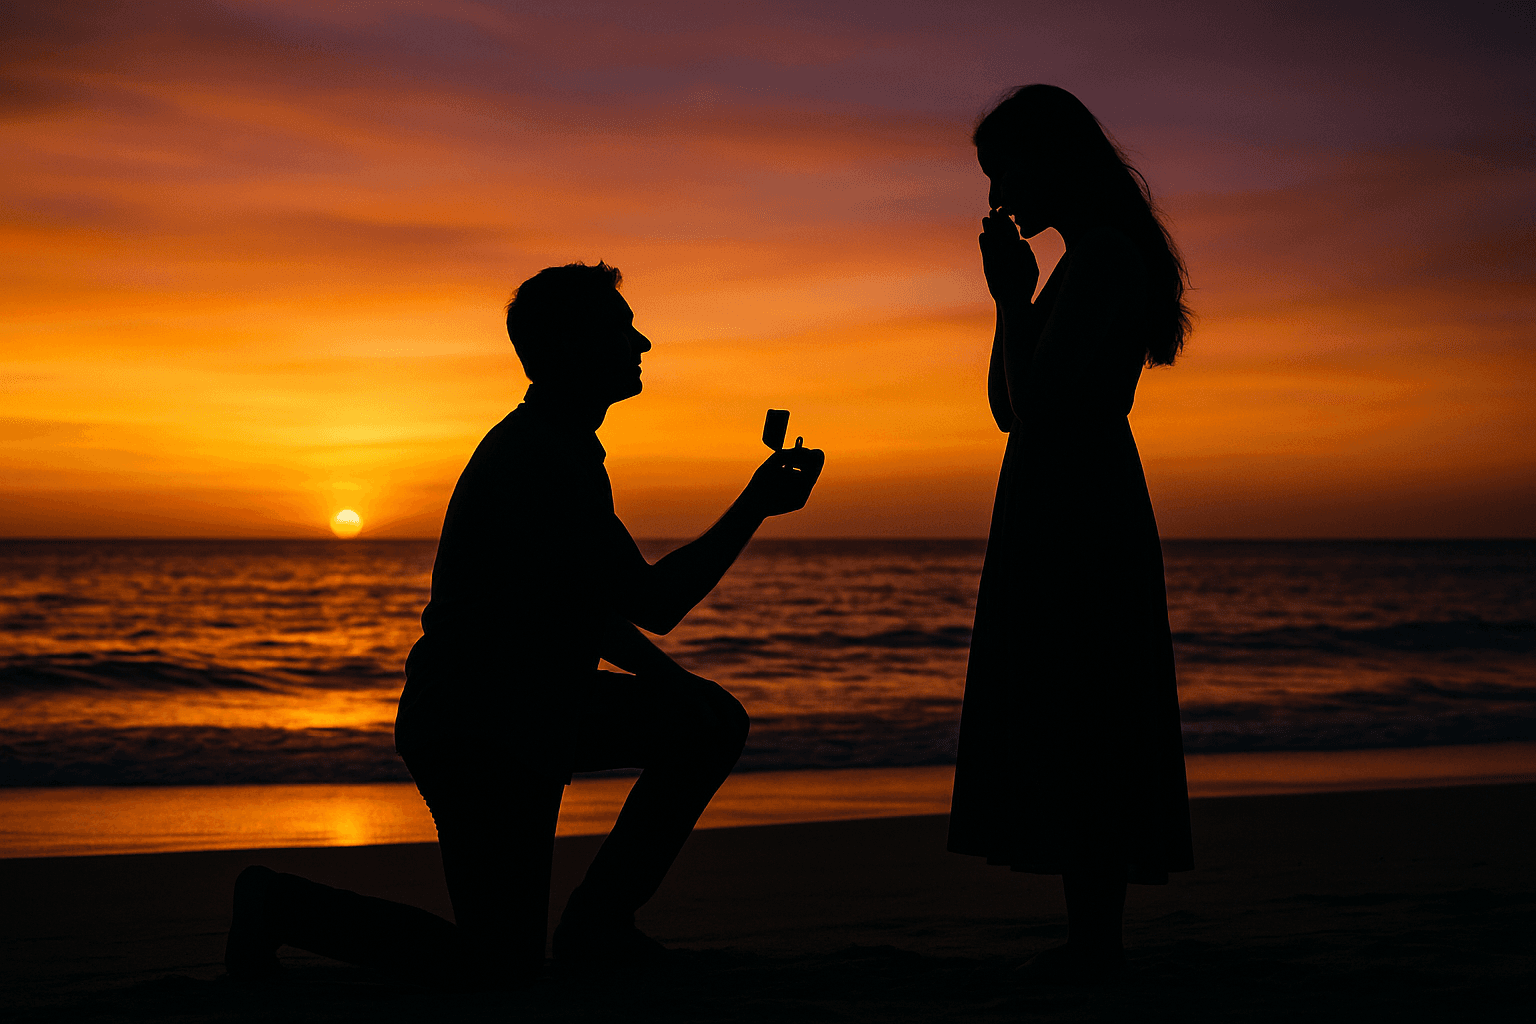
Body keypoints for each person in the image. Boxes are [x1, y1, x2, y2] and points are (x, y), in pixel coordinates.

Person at [225, 261, 824, 989]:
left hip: (528, 713)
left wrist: (673, 683)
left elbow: (581, 607)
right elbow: (653, 602)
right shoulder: (543, 456)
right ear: (576, 346)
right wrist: (755, 505)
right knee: (498, 967)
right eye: (623, 329)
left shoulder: (555, 445)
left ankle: (599, 926)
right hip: (480, 726)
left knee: (706, 720)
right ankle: (277, 905)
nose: (642, 343)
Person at [946, 85, 1195, 982]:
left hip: (1079, 496)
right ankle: (1092, 935)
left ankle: (1097, 941)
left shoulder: (1104, 258)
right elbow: (1007, 407)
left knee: (1089, 701)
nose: (997, 192)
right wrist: (1009, 301)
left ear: (1051, 160)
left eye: (1004, 169)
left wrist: (1014, 300)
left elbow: (1043, 404)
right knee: (1072, 700)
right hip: (1061, 488)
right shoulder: (1081, 259)